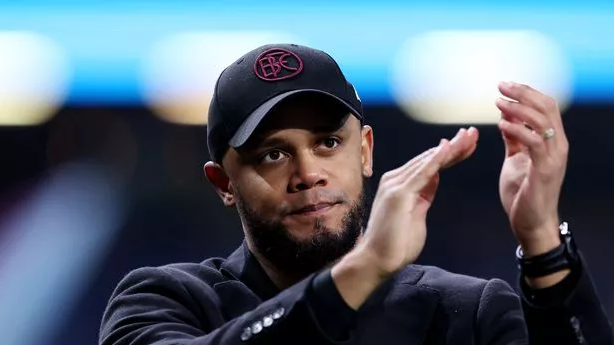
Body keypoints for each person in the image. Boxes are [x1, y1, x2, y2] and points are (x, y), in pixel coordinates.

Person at [99, 44, 613, 344]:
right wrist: (366, 267)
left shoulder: (465, 313)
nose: (308, 173)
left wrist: (542, 236)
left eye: (328, 143)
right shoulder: (165, 302)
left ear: (365, 151)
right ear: (223, 184)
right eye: (272, 155)